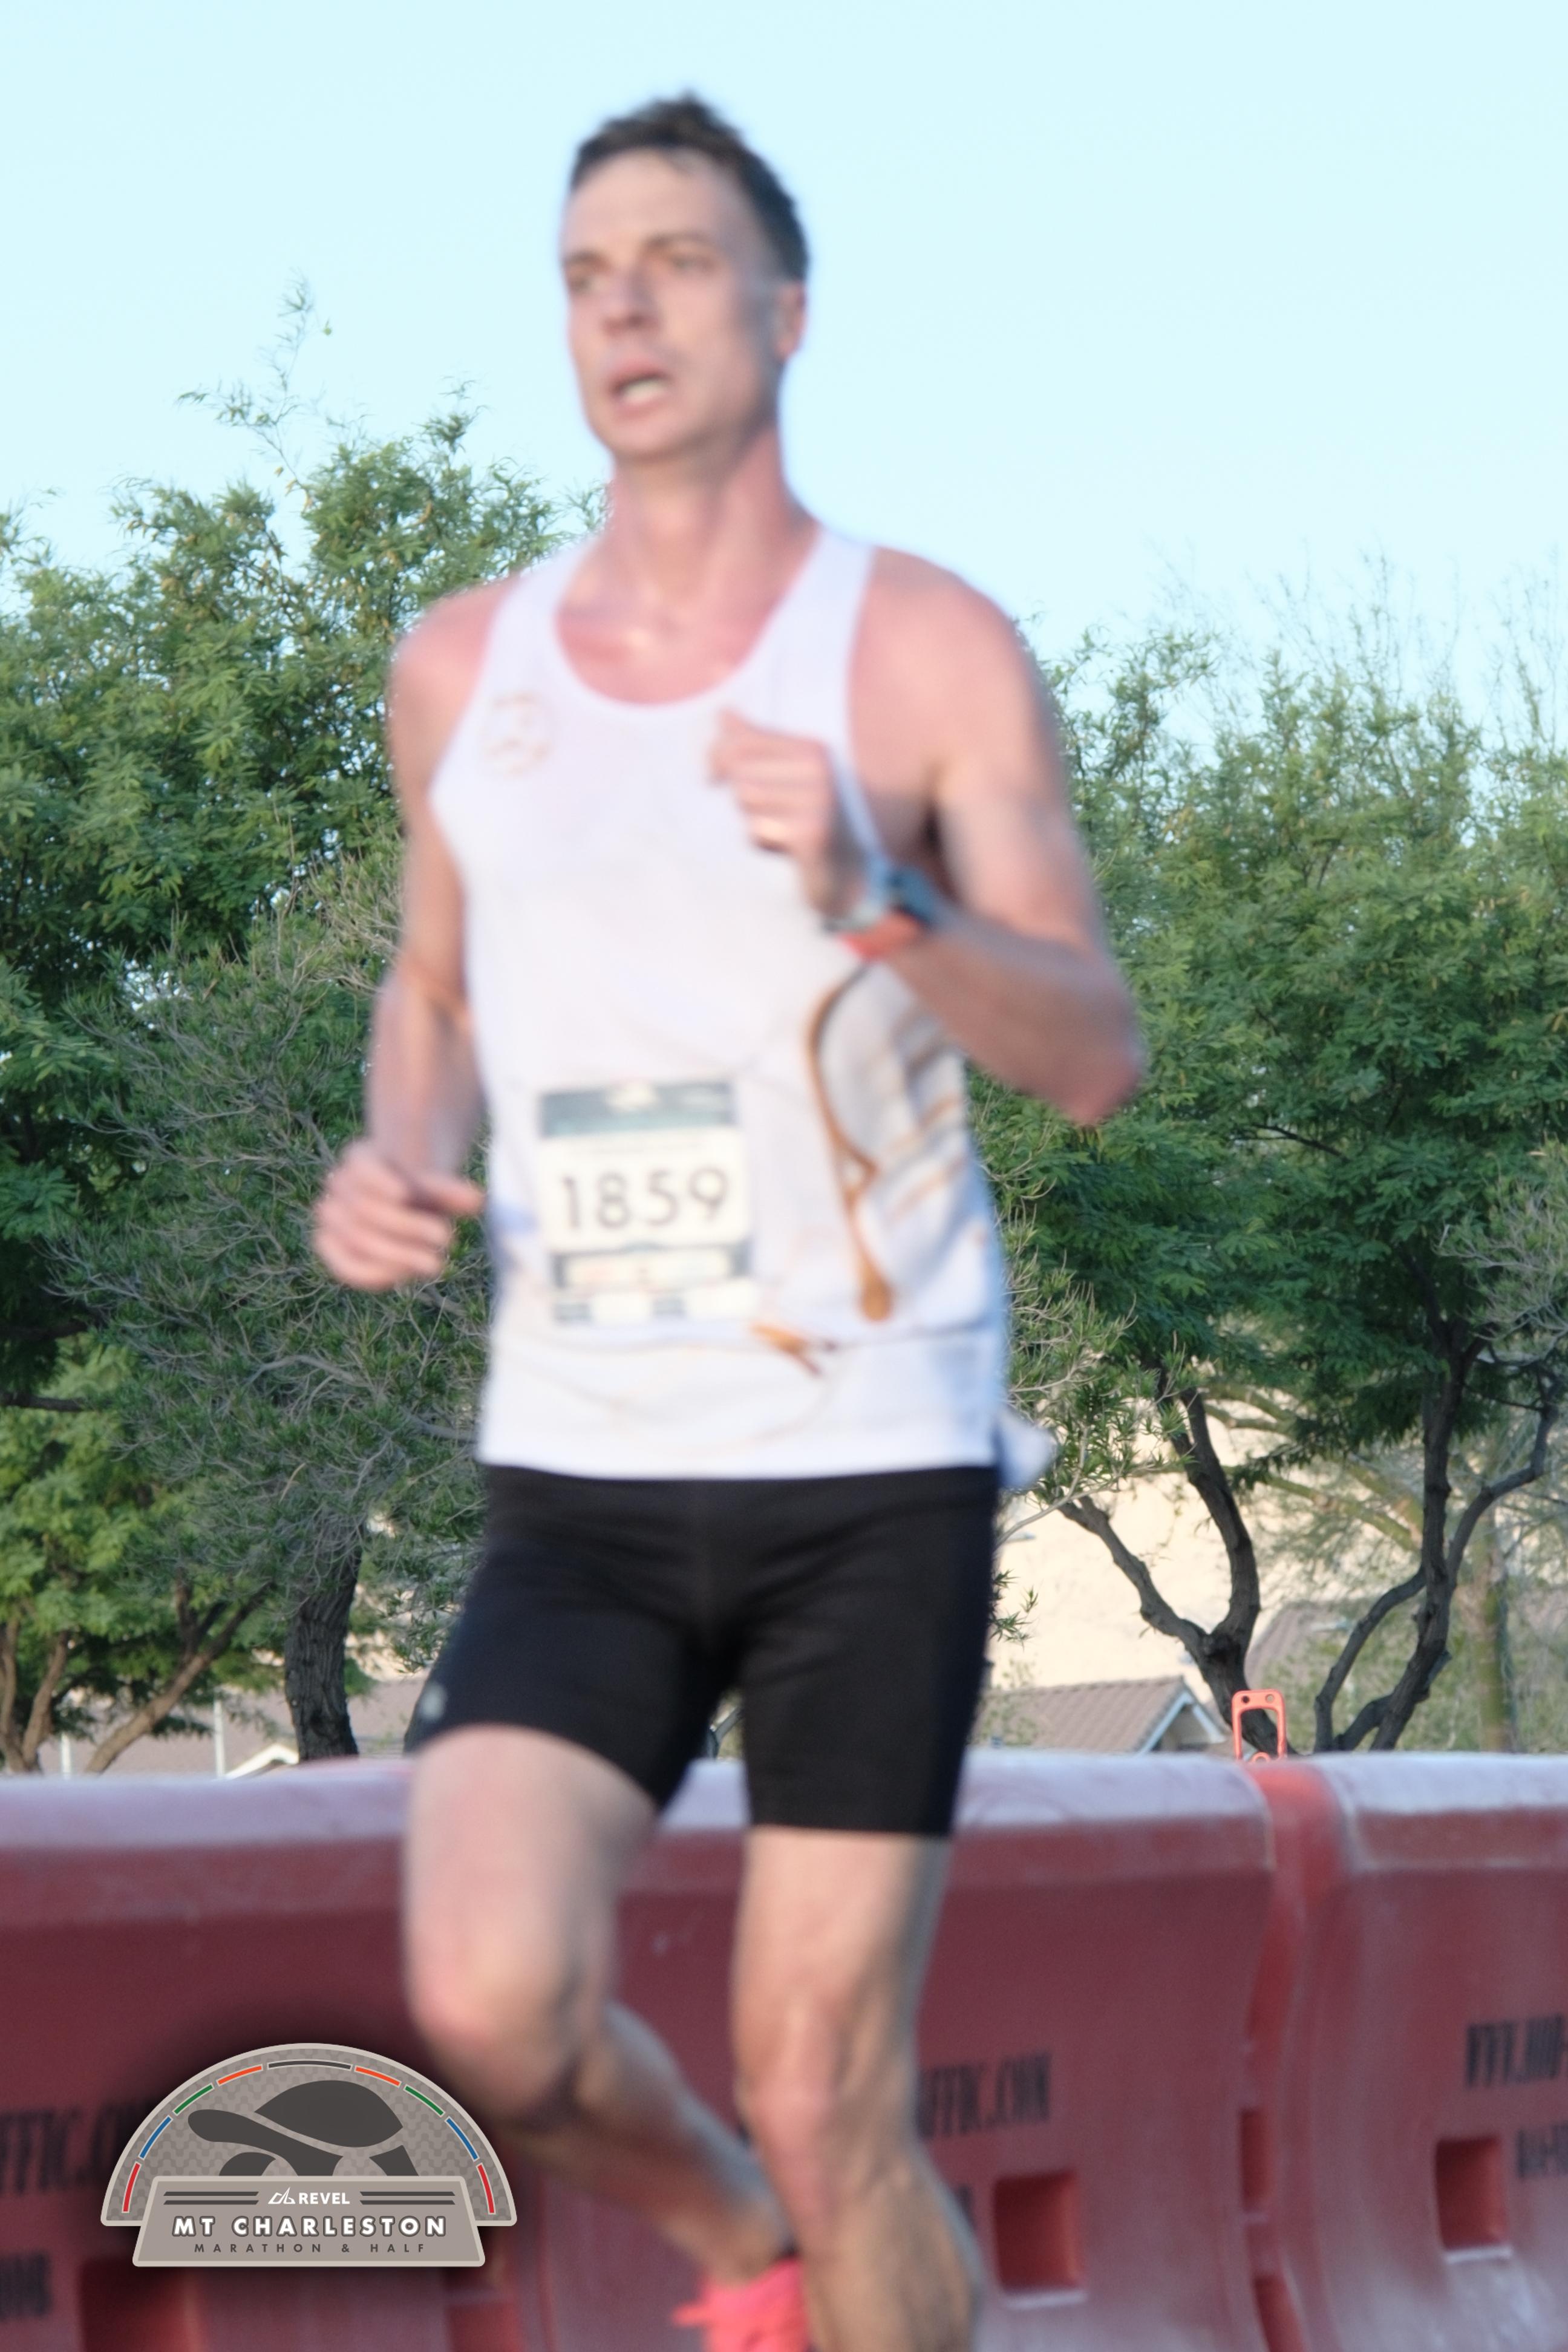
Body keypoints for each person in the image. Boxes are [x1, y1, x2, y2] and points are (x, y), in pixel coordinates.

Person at [313, 93, 1141, 2352]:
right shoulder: (465, 667)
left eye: (676, 262)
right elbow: (435, 990)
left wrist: (882, 899)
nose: (628, 310)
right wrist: (398, 1145)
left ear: (786, 312)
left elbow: (1092, 1049)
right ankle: (739, 2235)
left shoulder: (921, 653)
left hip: (868, 1457)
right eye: (588, 276)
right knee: (488, 2005)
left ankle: (817, 2204)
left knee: (825, 2075)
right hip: (584, 1460)